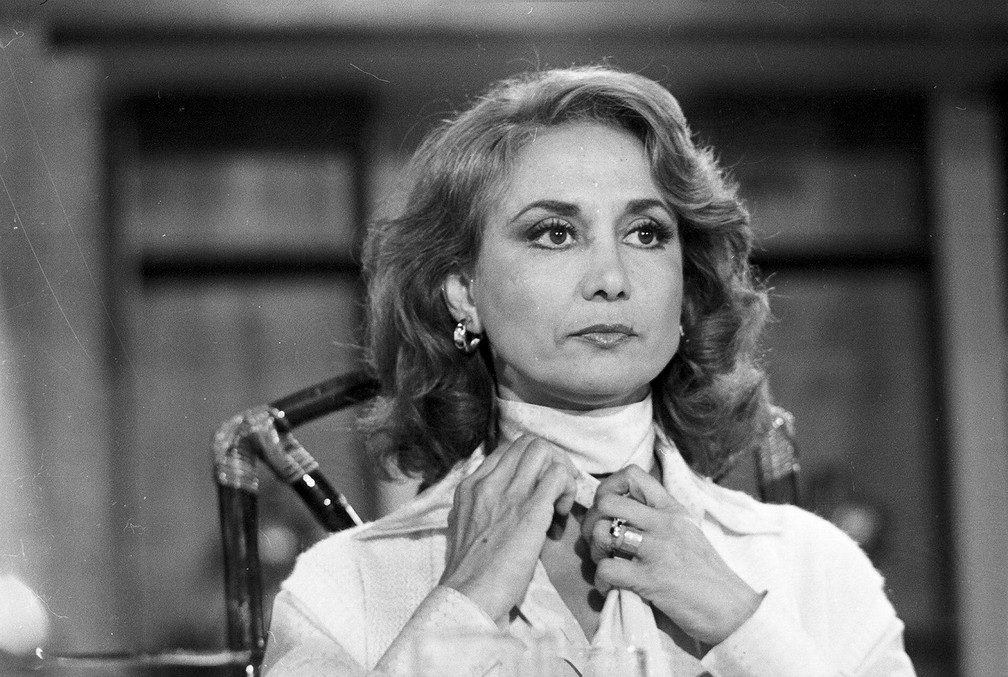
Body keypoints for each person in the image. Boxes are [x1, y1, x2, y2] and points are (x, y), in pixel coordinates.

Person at [262, 65, 916, 676]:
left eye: (645, 233)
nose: (611, 278)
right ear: (463, 290)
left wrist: (740, 623)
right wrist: (464, 603)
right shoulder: (345, 586)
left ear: (685, 286)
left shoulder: (816, 567)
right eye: (554, 232)